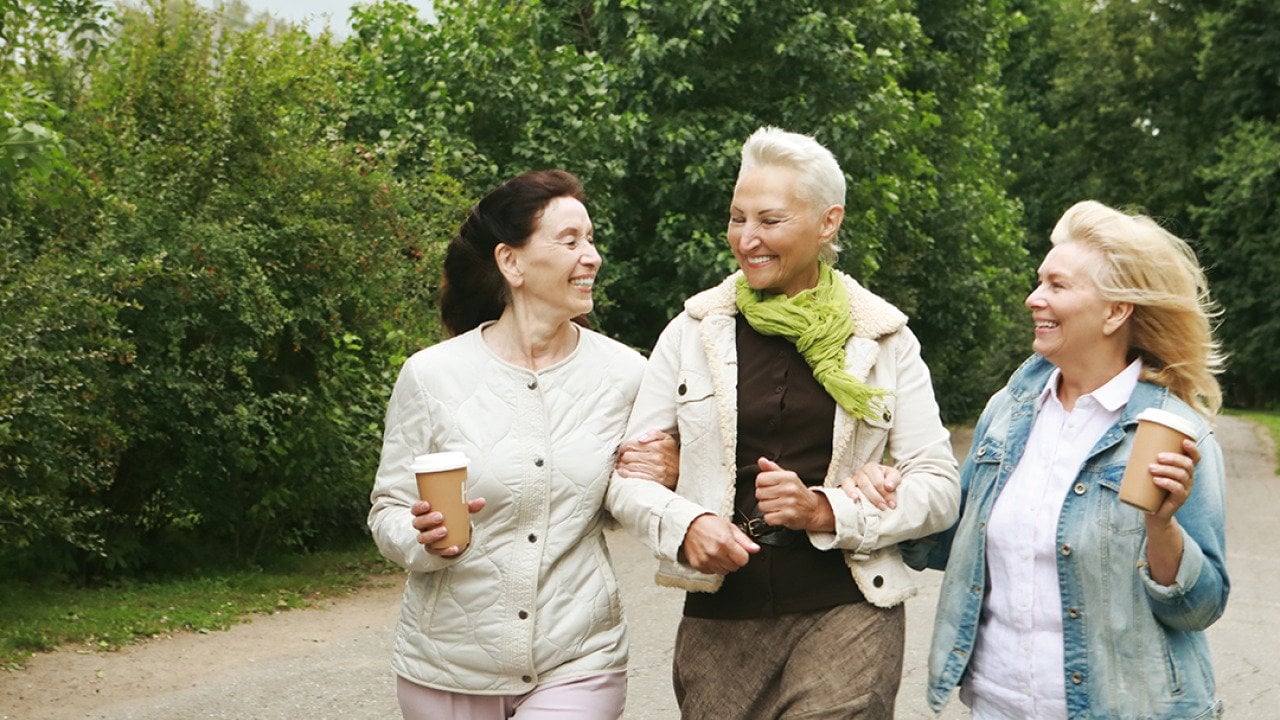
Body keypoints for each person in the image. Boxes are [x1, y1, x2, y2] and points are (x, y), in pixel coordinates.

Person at [605, 126, 961, 719]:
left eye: (769, 221)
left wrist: (825, 510)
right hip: (721, 617)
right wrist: (687, 522)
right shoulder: (692, 331)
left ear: (828, 223)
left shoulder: (882, 337)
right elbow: (628, 478)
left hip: (847, 609)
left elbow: (940, 487)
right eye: (737, 218)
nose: (747, 240)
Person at [877, 200, 1229, 718]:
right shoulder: (1009, 410)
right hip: (998, 703)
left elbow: (1199, 608)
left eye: (1057, 286)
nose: (1033, 298)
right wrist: (897, 492)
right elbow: (955, 539)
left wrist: (1162, 528)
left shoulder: (1174, 432)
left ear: (1115, 311)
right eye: (1039, 281)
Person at [367, 170, 675, 720]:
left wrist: (669, 466)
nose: (592, 256)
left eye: (591, 239)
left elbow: (648, 487)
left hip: (580, 658)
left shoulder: (629, 374)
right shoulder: (431, 375)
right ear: (512, 263)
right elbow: (389, 509)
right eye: (570, 241)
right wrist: (421, 540)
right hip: (448, 667)